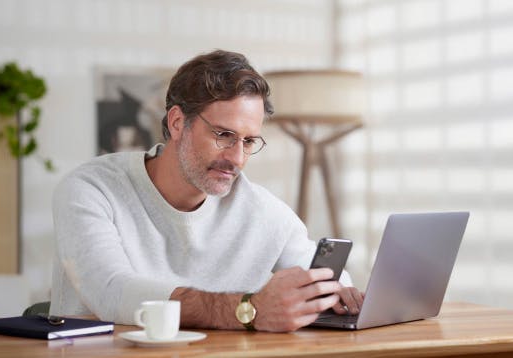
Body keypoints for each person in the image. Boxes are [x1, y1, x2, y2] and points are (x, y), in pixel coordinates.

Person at [50, 49, 364, 332]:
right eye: (223, 135)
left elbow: (327, 276)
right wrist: (248, 309)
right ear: (176, 123)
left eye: (249, 141)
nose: (237, 158)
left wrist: (337, 294)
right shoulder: (90, 190)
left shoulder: (262, 211)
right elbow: (111, 291)